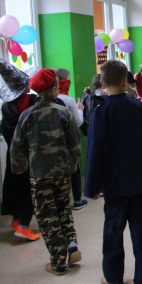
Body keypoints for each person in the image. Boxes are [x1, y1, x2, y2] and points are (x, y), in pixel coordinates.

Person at [85, 60, 142, 284]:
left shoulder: (101, 111)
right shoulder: (137, 107)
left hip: (114, 183)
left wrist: (91, 186)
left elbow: (95, 150)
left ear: (102, 83)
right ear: (124, 81)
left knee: (113, 229)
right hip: (140, 179)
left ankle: (113, 277)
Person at [10, 68, 82, 275]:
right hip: (63, 172)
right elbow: (74, 144)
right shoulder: (63, 112)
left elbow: (17, 146)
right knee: (64, 208)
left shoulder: (27, 115)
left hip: (39, 174)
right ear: (53, 90)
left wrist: (19, 167)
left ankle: (58, 262)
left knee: (47, 215)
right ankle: (71, 243)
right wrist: (73, 165)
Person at [0, 54, 41, 241]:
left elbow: (7, 132)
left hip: (14, 152)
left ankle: (17, 219)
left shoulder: (7, 106)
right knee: (30, 188)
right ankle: (24, 226)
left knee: (16, 185)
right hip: (30, 153)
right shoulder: (33, 102)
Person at [54, 68, 87, 210]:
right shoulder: (68, 100)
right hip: (68, 140)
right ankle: (77, 200)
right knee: (74, 169)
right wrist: (80, 109)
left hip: (53, 142)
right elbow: (78, 122)